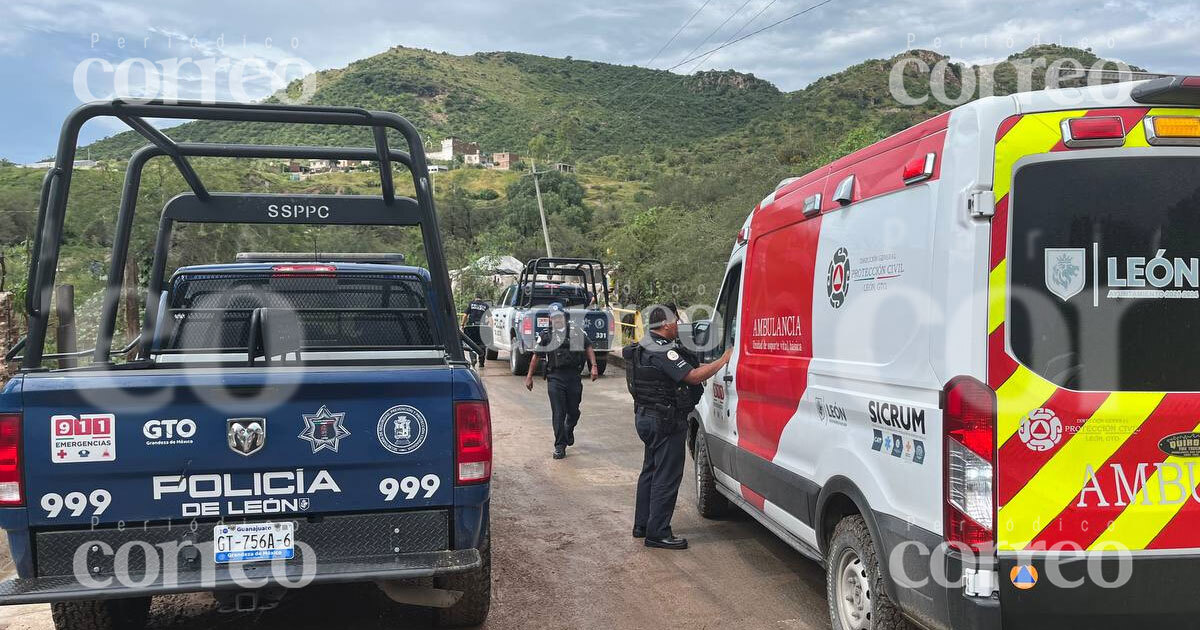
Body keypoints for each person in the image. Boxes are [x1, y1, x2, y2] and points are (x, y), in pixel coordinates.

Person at [623, 304, 731, 550]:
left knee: (650, 470)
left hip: (646, 417)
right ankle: (658, 532)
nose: (679, 325)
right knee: (666, 475)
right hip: (665, 421)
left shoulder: (643, 345)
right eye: (676, 321)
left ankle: (642, 525)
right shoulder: (664, 351)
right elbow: (692, 376)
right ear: (666, 324)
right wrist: (723, 360)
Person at [525, 302, 599, 459]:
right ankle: (560, 445)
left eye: (559, 316)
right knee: (558, 413)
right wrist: (529, 376)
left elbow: (589, 347)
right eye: (554, 317)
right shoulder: (546, 335)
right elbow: (536, 356)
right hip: (555, 378)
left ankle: (568, 429)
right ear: (550, 319)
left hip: (573, 377)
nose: (557, 319)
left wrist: (594, 366)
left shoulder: (576, 331)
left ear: (564, 317)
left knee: (573, 411)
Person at [464, 293, 490, 366]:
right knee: (482, 344)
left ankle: (473, 358)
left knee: (471, 343)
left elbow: (465, 315)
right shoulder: (485, 306)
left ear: (475, 298)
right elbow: (490, 318)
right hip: (482, 328)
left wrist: (463, 324)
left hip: (471, 327)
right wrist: (490, 328)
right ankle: (481, 363)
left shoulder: (471, 304)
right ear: (482, 298)